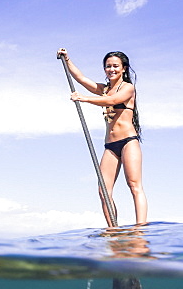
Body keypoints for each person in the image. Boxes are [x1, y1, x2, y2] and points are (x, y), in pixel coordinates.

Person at [57, 48, 147, 226]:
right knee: (103, 191)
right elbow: (81, 79)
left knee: (134, 185)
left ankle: (141, 228)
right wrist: (67, 60)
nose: (111, 69)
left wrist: (84, 98)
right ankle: (113, 229)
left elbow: (112, 101)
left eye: (115, 66)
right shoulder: (104, 89)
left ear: (124, 69)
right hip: (110, 146)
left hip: (129, 142)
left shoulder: (128, 88)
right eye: (108, 66)